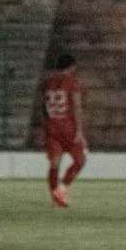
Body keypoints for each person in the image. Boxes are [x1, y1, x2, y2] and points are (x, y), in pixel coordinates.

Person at [38, 52, 87, 208]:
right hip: (69, 129)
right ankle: (61, 189)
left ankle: (55, 194)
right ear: (72, 67)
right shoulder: (73, 82)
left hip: (52, 129)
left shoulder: (47, 82)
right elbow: (76, 106)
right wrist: (80, 130)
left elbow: (43, 106)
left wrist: (45, 126)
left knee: (55, 163)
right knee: (80, 161)